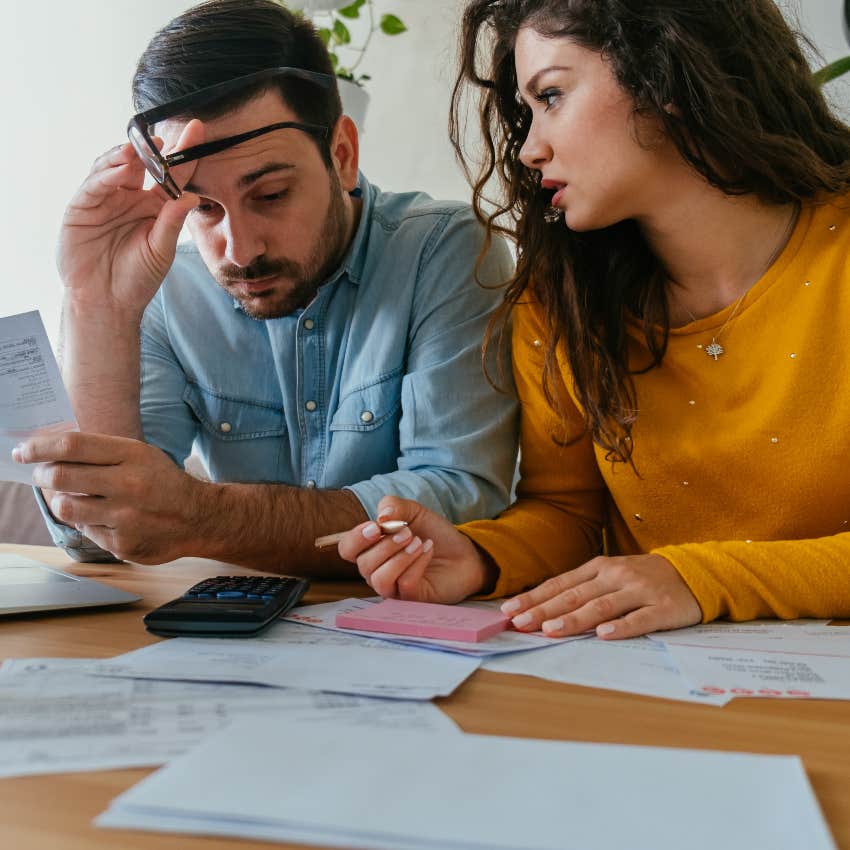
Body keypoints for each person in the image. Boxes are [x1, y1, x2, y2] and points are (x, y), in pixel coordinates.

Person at [336, 0, 850, 636]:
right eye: (527, 113)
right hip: (646, 681)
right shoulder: (561, 296)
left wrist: (702, 578)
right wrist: (480, 556)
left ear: (666, 74)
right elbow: (570, 511)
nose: (529, 149)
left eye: (551, 95)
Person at [14, 0, 519, 573]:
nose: (240, 248)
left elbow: (463, 499)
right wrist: (97, 303)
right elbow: (101, 535)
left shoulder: (441, 249)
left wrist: (203, 515)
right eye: (203, 207)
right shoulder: (165, 288)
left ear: (343, 156)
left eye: (271, 194)